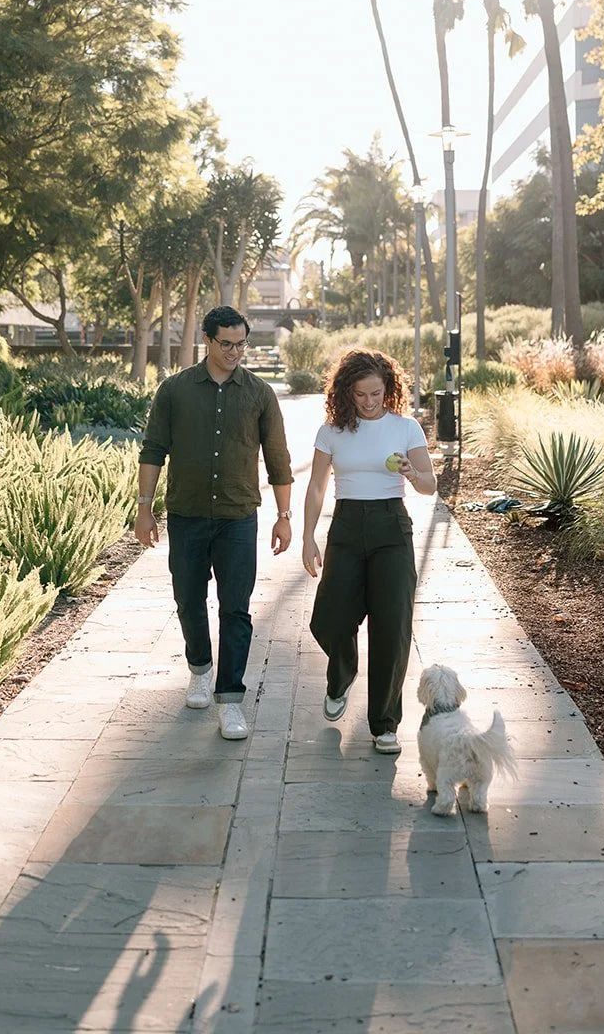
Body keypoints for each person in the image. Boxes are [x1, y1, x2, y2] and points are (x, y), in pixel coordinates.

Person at [136, 304, 294, 741]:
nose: (235, 352)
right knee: (188, 600)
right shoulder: (175, 390)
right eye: (227, 344)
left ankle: (231, 700)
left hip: (238, 518)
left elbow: (278, 460)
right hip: (186, 515)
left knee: (236, 610)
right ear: (208, 340)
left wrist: (284, 517)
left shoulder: (260, 393)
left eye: (242, 344)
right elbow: (153, 450)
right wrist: (144, 506)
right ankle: (200, 670)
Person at [302, 348, 436, 753]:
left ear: (388, 389)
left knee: (392, 625)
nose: (369, 401)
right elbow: (317, 486)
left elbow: (430, 484)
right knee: (329, 618)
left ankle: (384, 723)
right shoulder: (332, 431)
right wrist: (308, 536)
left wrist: (413, 474)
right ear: (346, 392)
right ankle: (341, 675)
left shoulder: (406, 427)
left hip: (391, 528)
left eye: (376, 393)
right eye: (360, 394)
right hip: (345, 526)